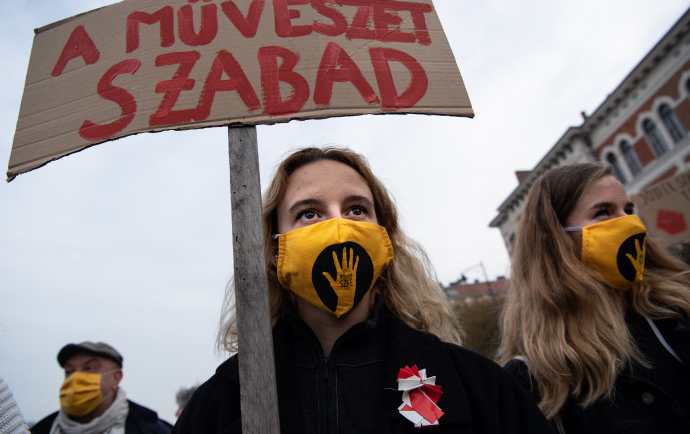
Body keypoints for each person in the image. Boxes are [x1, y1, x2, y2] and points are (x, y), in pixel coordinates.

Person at [174, 146, 554, 433]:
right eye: (309, 213)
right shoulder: (223, 402)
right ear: (274, 250)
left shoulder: (475, 385)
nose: (339, 226)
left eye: (356, 209)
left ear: (384, 238)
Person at [499, 162, 690, 433]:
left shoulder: (676, 316)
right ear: (556, 239)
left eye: (629, 210)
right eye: (603, 212)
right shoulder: (533, 381)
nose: (627, 222)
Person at [31, 341, 172, 434]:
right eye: (69, 371)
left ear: (116, 378)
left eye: (89, 368)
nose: (76, 377)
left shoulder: (152, 430)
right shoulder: (39, 430)